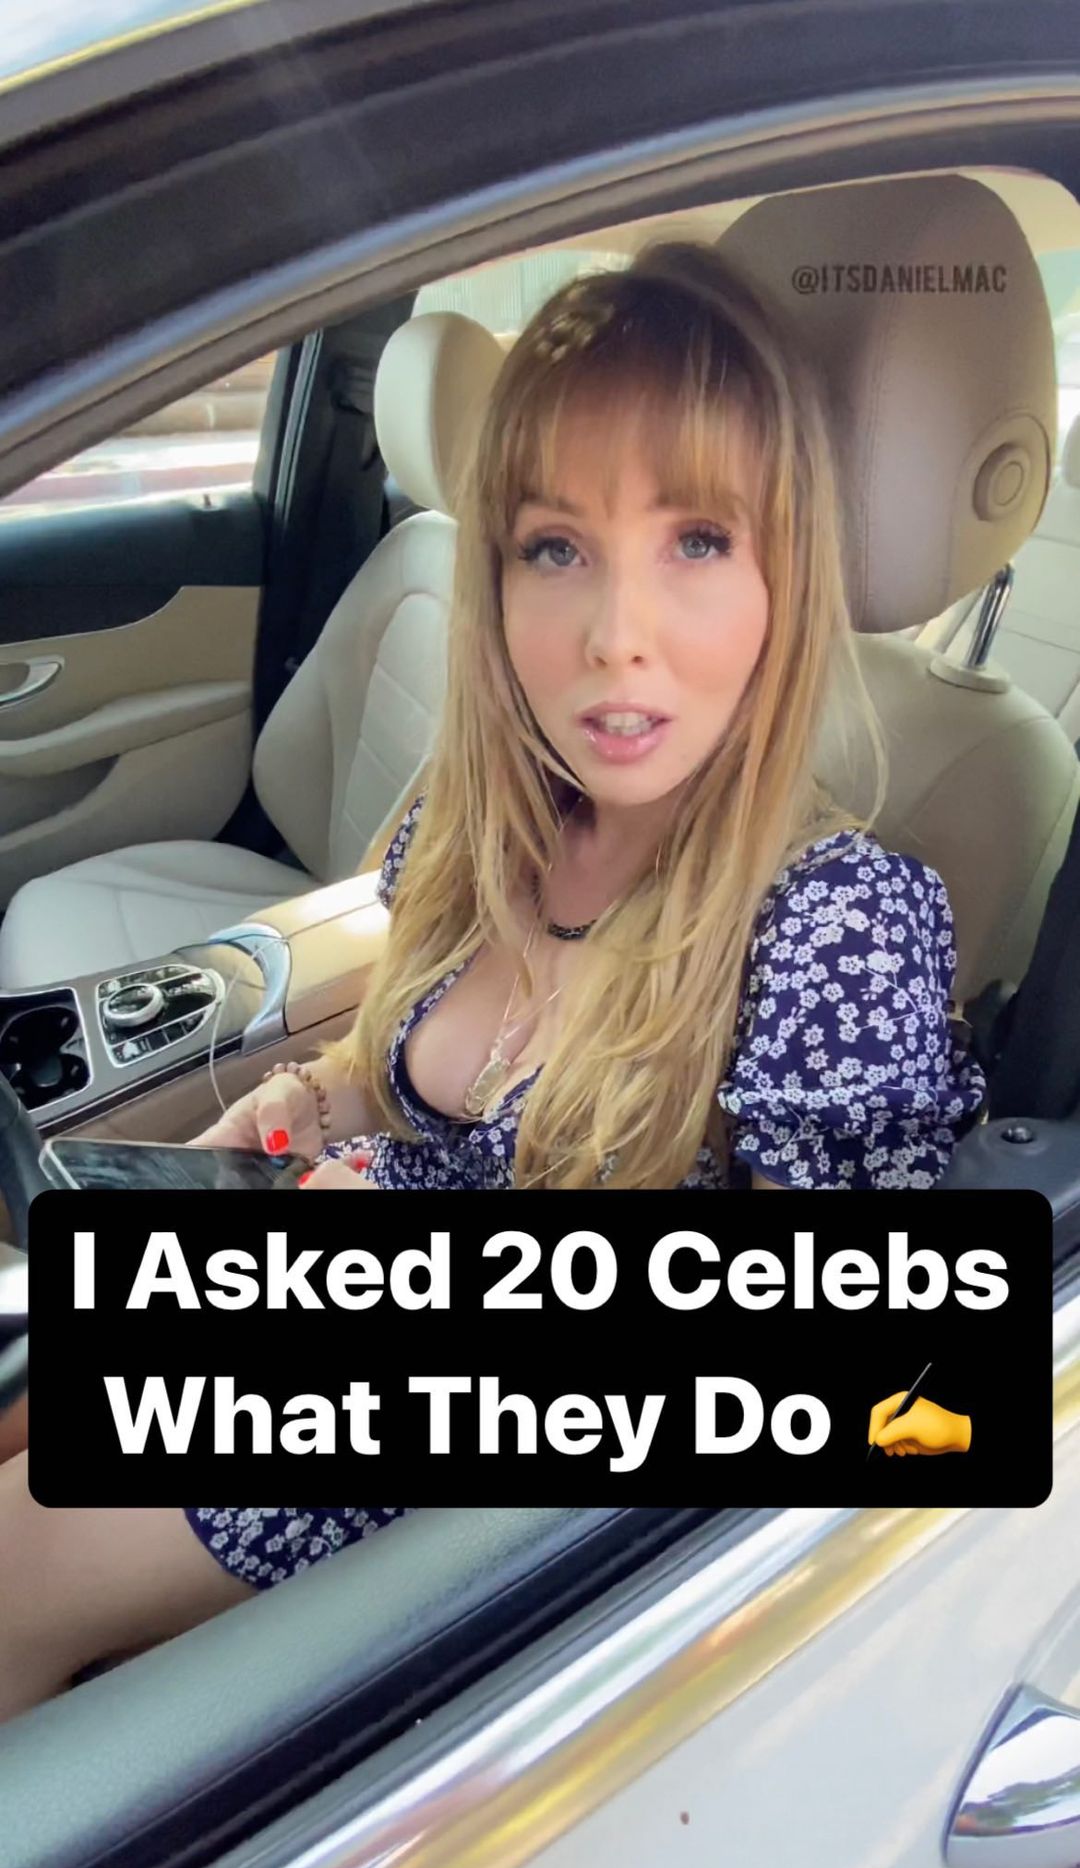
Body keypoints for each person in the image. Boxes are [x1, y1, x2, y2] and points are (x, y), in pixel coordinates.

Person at [0, 242, 984, 1722]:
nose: (615, 637)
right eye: (557, 548)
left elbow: (873, 1392)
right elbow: (385, 1071)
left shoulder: (840, 923)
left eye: (697, 541)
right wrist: (289, 1123)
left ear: (788, 570)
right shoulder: (485, 821)